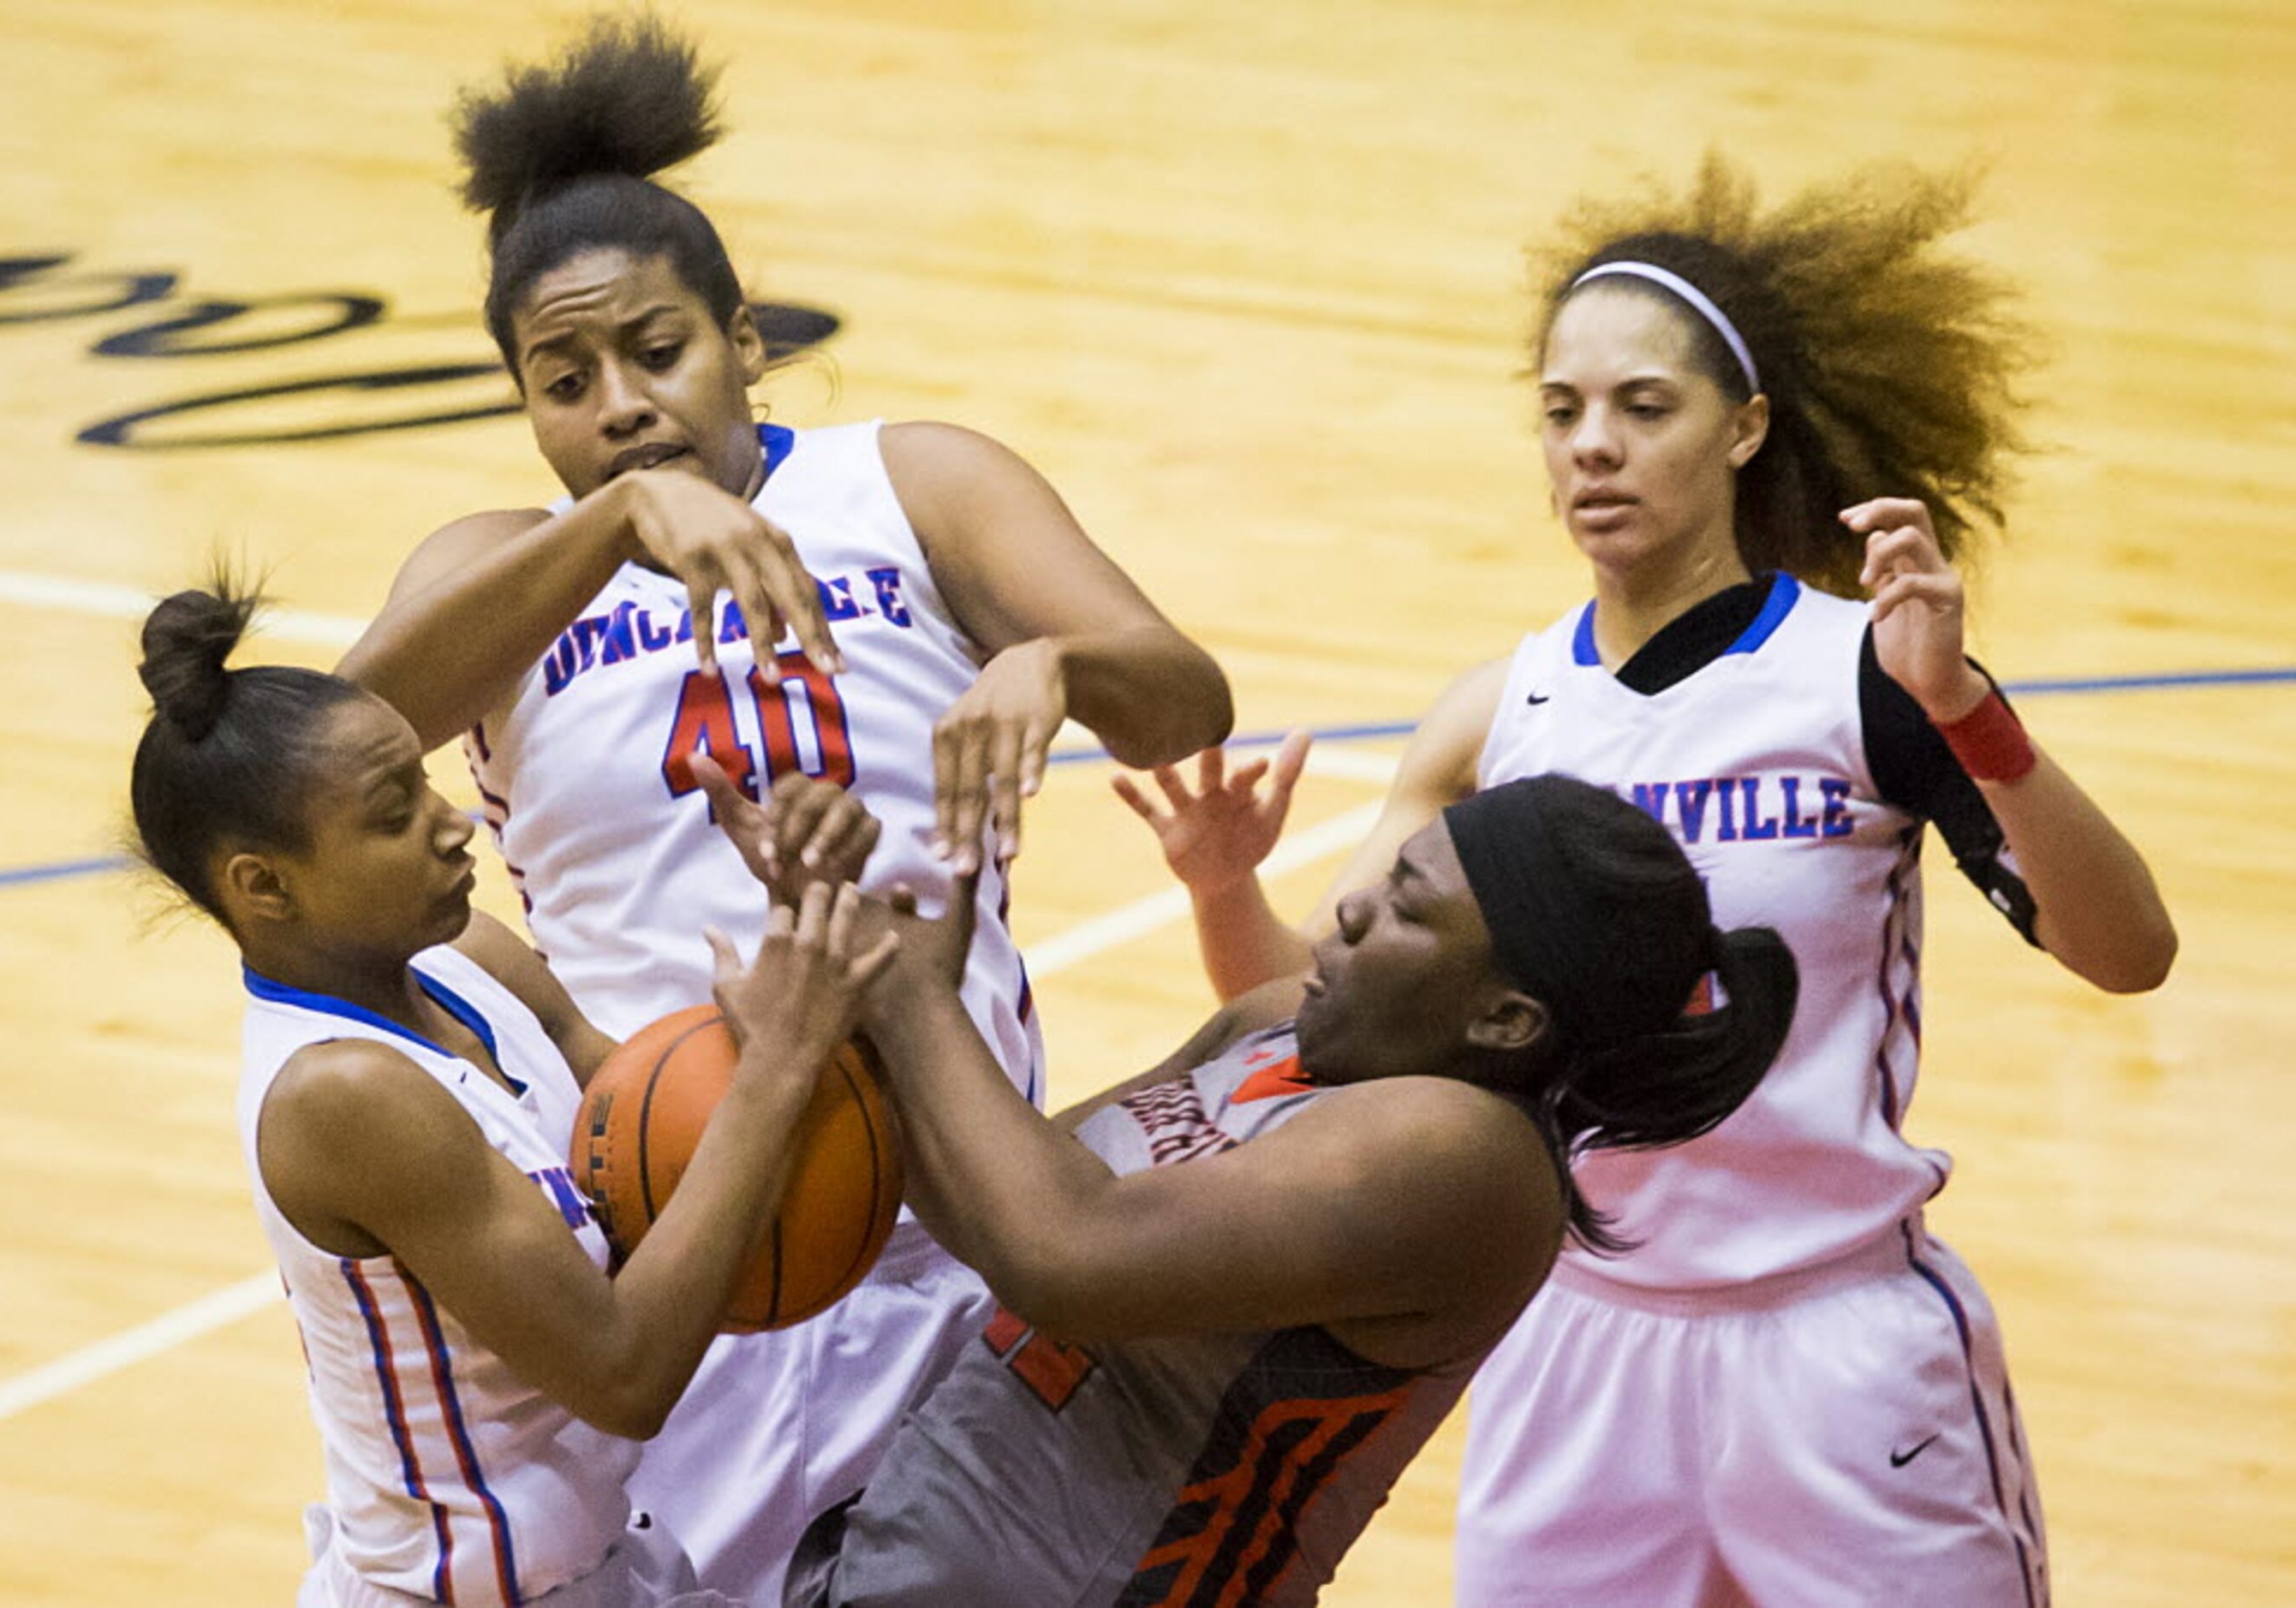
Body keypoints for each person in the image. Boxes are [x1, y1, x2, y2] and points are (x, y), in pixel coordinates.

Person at [1116, 156, 2177, 1605]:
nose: (1590, 447)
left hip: (1842, 1343)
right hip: (1573, 1336)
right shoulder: (1498, 714)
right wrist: (1222, 885)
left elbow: (2130, 951)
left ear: (1744, 428)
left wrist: (1967, 711)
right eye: (1561, 412)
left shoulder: (1858, 676)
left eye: (1640, 406)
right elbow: (1324, 1016)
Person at [333, 15, 1231, 1599]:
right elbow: (339, 747)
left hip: (958, 1216)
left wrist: (1059, 667)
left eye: (658, 351)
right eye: (566, 380)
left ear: (746, 340)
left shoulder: (914, 480)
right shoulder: (498, 569)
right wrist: (611, 524)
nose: (619, 403)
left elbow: (1184, 695)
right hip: (674, 1239)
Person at [671, 759, 1796, 1608]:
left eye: (1410, 908)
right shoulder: (1275, 1027)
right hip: (908, 1547)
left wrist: (905, 988)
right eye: (1390, 875)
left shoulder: (1471, 1159)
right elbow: (1000, 1196)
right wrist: (827, 959)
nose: (1351, 907)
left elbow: (1065, 1253)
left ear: (1503, 1018)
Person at [128, 582, 900, 1605]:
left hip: (599, 1565)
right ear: (265, 888)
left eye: (431, 783)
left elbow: (667, 1142)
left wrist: (804, 914)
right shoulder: (343, 1095)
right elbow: (625, 1372)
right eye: (395, 813)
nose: (454, 827)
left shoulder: (465, 959)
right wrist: (773, 1075)